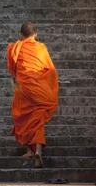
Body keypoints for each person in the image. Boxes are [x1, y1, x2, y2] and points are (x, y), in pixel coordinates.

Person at [7, 21, 59, 168]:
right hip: (39, 89)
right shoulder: (41, 48)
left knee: (23, 117)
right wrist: (47, 84)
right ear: (35, 34)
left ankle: (29, 150)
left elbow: (12, 69)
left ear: (21, 35)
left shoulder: (16, 47)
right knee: (38, 118)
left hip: (23, 88)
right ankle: (38, 150)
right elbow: (50, 70)